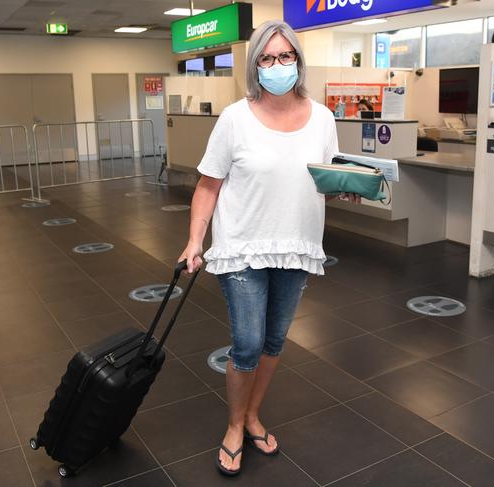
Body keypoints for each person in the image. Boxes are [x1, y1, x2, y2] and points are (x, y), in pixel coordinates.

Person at [178, 19, 360, 477]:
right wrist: (195, 239)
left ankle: (254, 415)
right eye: (267, 57)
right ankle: (235, 426)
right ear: (254, 64)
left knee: (274, 341)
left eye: (285, 56)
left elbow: (325, 178)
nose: (277, 65)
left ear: (298, 61)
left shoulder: (322, 117)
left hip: (296, 245)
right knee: (247, 343)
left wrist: (350, 187)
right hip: (242, 246)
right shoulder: (234, 118)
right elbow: (208, 185)